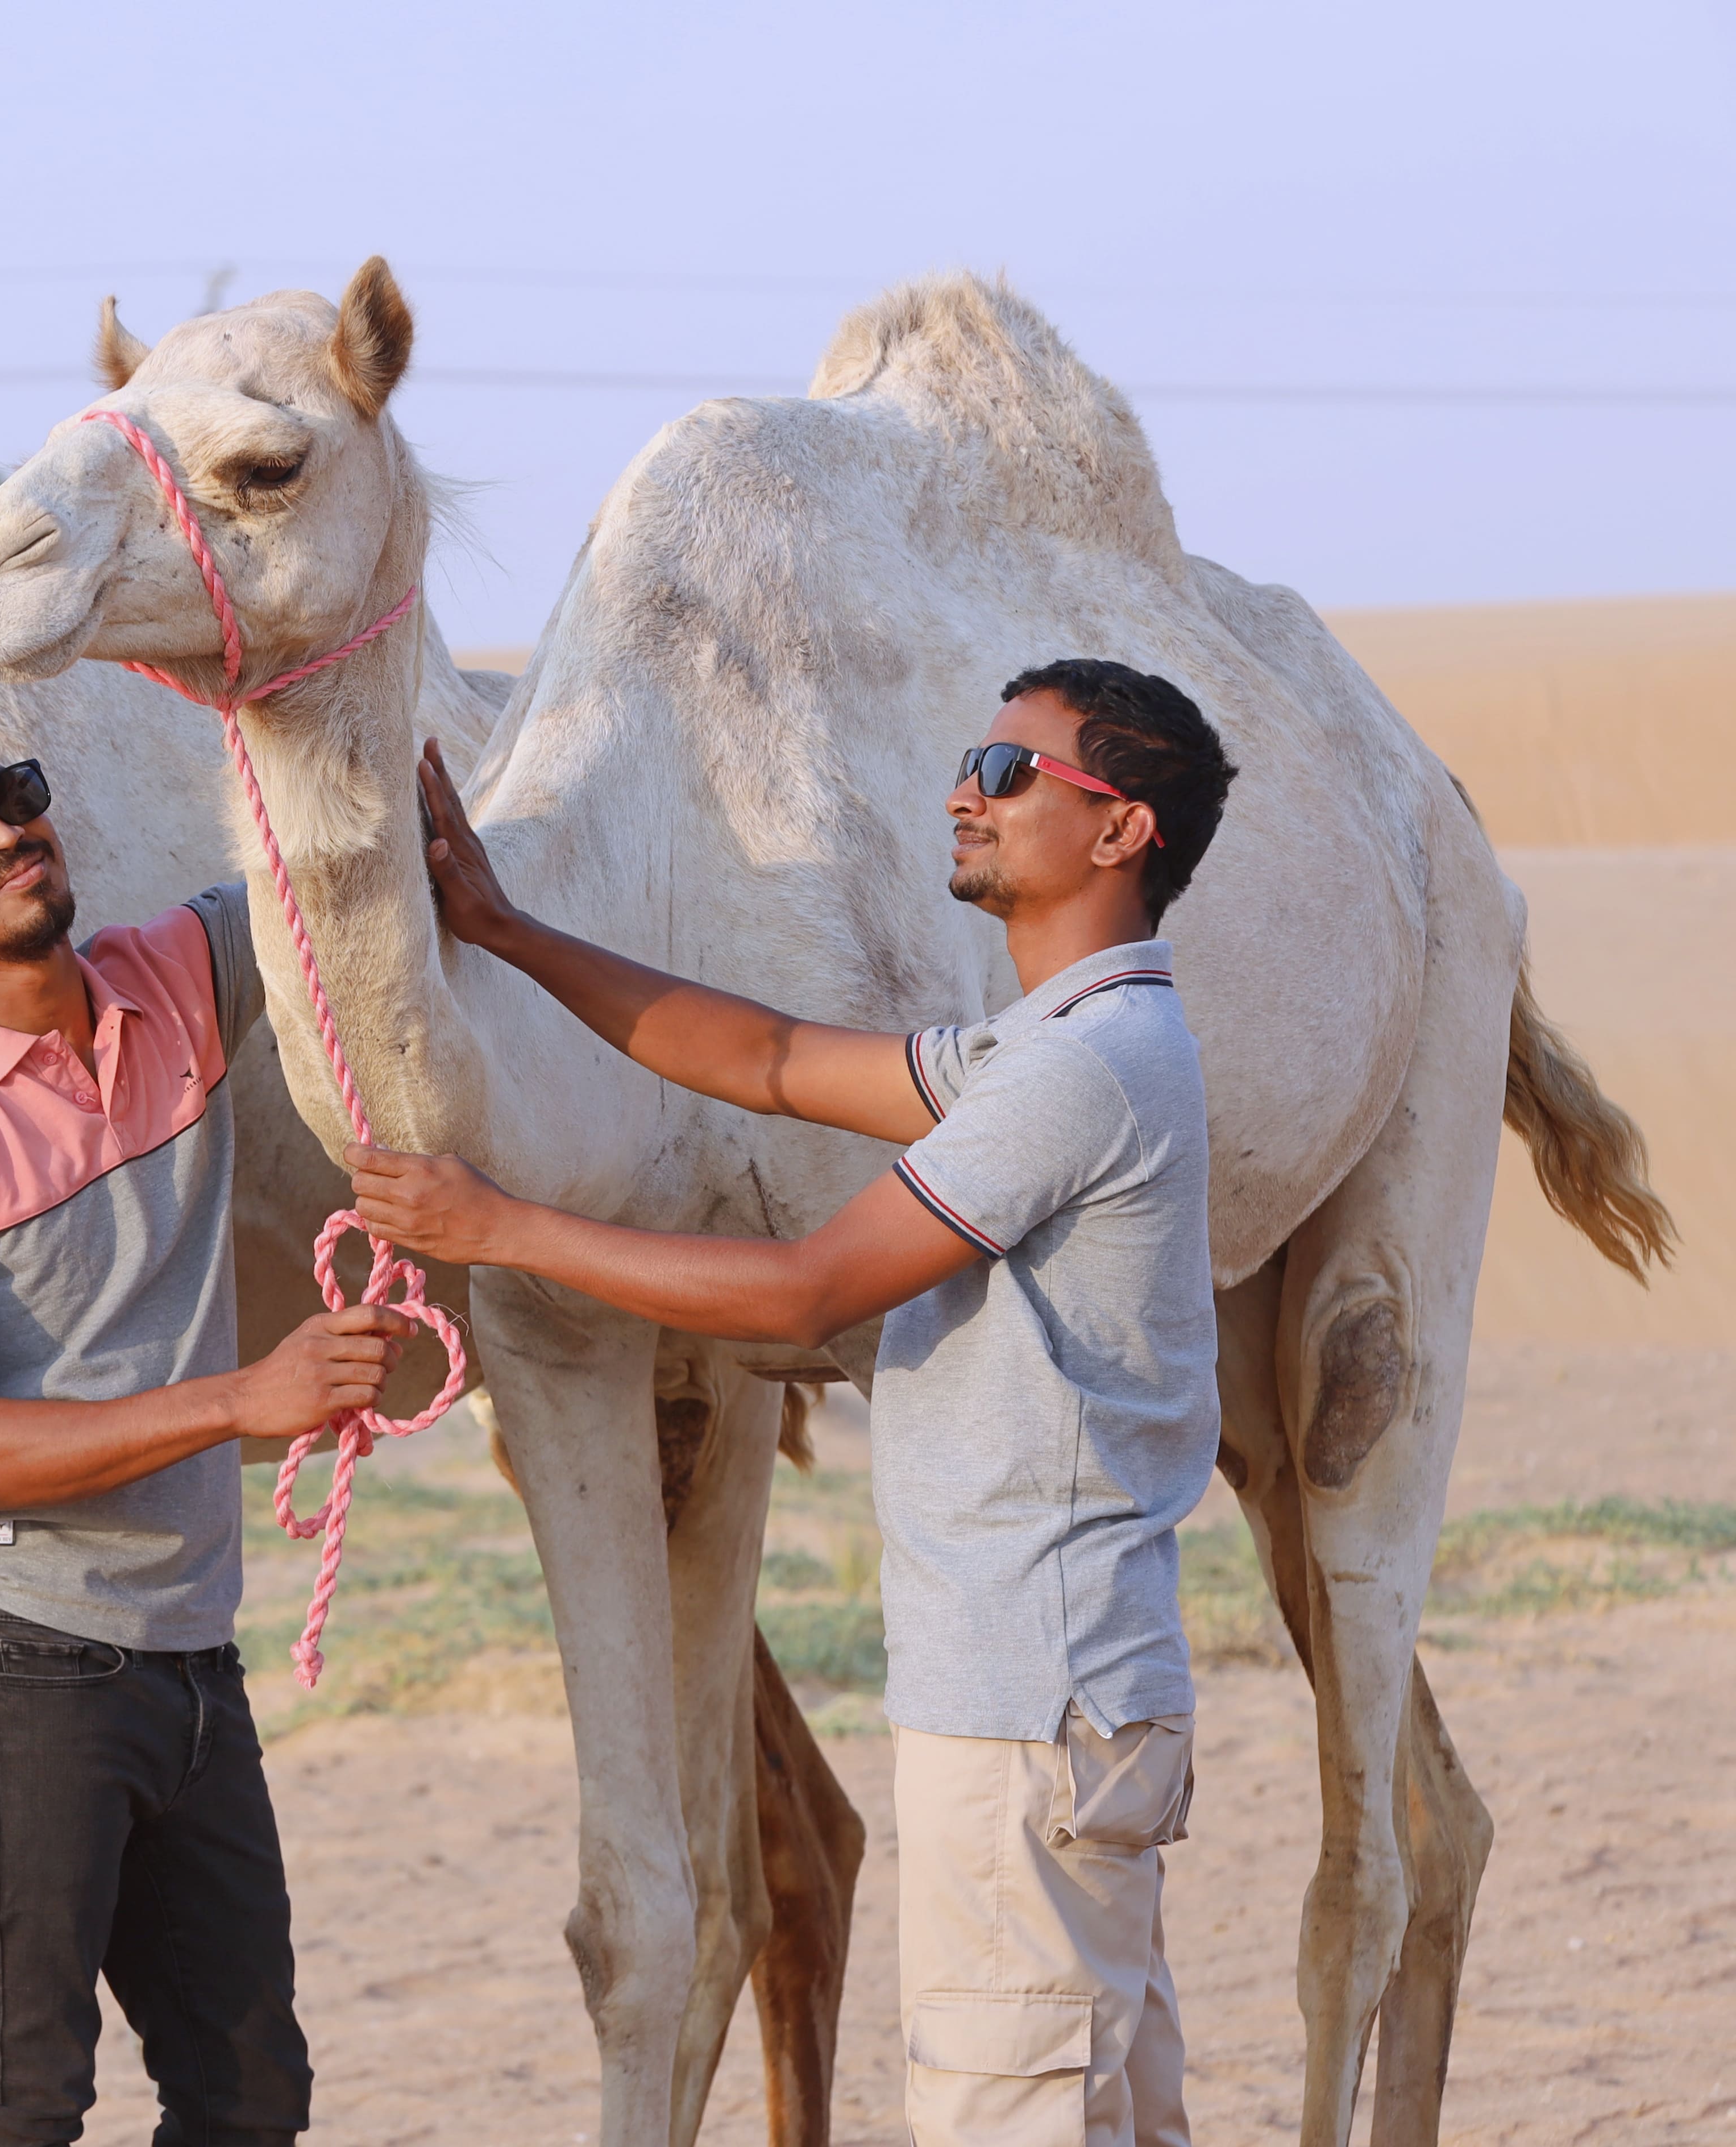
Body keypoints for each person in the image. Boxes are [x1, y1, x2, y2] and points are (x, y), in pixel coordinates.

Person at [350, 660, 1238, 2147]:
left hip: (1028, 1704)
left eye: (1009, 773)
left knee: (1010, 2114)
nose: (965, 793)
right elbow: (764, 1059)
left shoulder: (1074, 1077)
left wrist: (499, 1230)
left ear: (1119, 830)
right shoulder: (1056, 1048)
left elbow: (806, 1290)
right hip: (1069, 1693)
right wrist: (507, 934)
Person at [0, 674, 408, 2147]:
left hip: (190, 1652)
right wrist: (245, 1400)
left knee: (251, 2096)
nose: (5, 834)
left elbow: (333, 875)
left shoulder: (175, 978)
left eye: (12, 796)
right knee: (18, 2105)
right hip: (20, 1666)